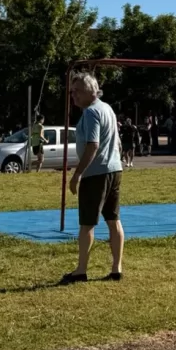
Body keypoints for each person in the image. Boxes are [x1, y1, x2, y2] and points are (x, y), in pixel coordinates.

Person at [62, 71, 124, 285]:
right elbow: (116, 141)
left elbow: (93, 145)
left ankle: (81, 270)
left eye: (77, 91)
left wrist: (77, 174)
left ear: (91, 91)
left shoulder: (90, 113)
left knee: (87, 224)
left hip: (96, 173)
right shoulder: (108, 108)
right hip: (114, 170)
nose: (74, 96)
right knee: (113, 219)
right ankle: (116, 268)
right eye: (72, 92)